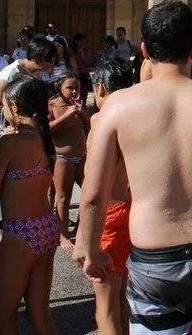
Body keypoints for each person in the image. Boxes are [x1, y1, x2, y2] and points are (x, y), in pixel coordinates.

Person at [73, 0, 192, 335]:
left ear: (144, 50)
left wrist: (89, 248)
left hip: (154, 257)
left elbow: (93, 195)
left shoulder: (117, 107)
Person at [0, 76, 60, 334]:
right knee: (40, 315)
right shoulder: (44, 137)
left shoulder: (10, 143)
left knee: (1, 317)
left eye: (3, 105)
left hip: (20, 234)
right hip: (46, 227)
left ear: (14, 106)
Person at [79, 58, 134, 334]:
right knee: (121, 296)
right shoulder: (137, 118)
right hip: (130, 208)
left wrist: (84, 239)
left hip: (109, 213)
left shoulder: (101, 121)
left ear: (100, 88)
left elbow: (92, 190)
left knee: (105, 307)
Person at [47, 71, 88, 248]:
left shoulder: (77, 105)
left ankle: (79, 230)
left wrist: (82, 113)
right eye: (70, 88)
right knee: (64, 197)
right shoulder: (52, 105)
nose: (74, 91)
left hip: (82, 156)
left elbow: (91, 125)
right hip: (63, 158)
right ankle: (62, 234)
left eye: (77, 87)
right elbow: (47, 128)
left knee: (89, 194)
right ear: (59, 88)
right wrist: (66, 115)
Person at [0, 38, 58, 122]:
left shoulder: (38, 71)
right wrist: (21, 112)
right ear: (38, 59)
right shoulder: (10, 74)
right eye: (50, 61)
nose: (52, 64)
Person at [71, 34, 95, 106]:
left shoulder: (87, 50)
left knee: (84, 90)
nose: (83, 43)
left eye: (84, 41)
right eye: (81, 41)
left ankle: (83, 104)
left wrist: (82, 54)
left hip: (85, 73)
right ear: (76, 42)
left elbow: (89, 62)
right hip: (75, 73)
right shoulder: (72, 51)